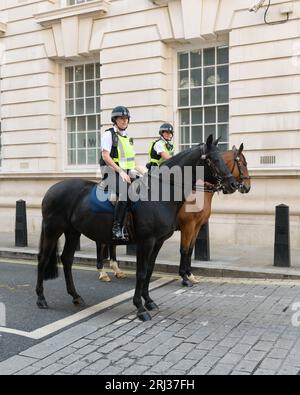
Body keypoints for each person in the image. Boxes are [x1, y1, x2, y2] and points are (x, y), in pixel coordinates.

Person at [100, 106, 140, 242]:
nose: (124, 121)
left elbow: (133, 161)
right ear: (115, 120)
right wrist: (120, 171)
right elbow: (106, 156)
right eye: (121, 118)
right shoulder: (108, 134)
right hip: (110, 171)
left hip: (126, 172)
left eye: (126, 118)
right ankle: (116, 227)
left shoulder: (128, 138)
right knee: (126, 191)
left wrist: (147, 173)